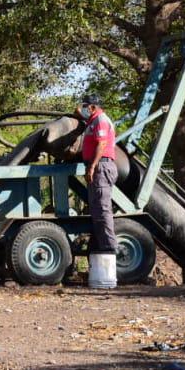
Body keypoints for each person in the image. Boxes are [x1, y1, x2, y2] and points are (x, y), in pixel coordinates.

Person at [80, 93, 117, 258]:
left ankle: (110, 248)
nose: (84, 109)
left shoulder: (101, 120)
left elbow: (101, 144)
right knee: (96, 209)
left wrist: (92, 166)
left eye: (85, 106)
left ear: (93, 107)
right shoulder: (92, 121)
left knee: (102, 209)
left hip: (101, 166)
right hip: (97, 166)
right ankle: (102, 246)